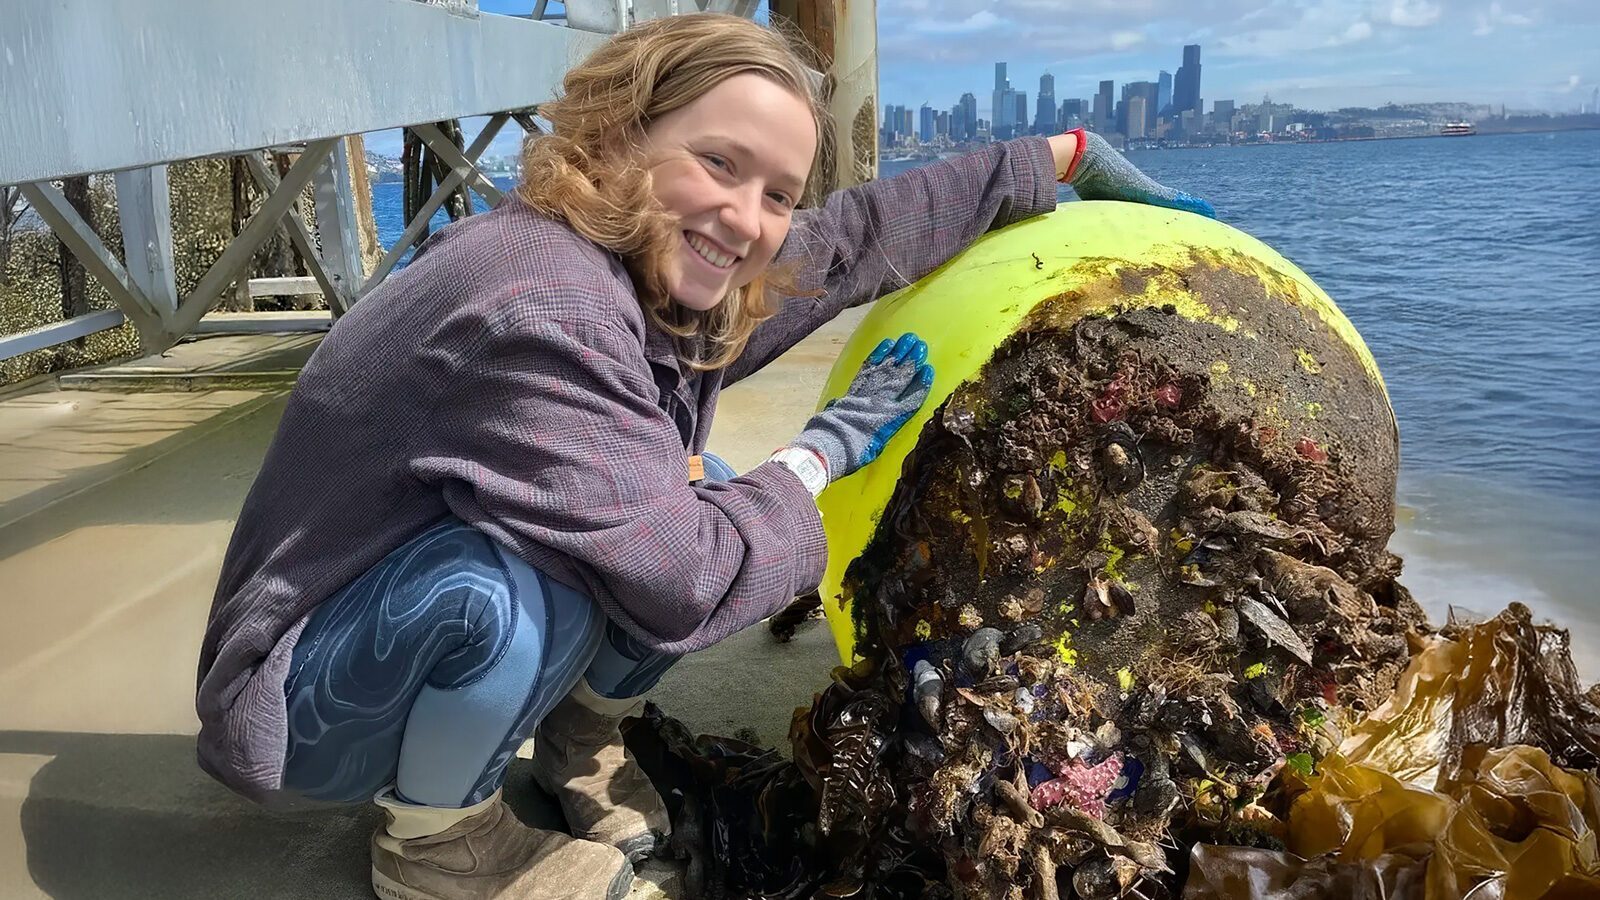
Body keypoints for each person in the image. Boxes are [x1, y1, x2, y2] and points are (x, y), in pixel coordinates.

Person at [193, 13, 1212, 900]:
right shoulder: (543, 307)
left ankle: (579, 746)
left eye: (776, 190)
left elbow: (851, 240)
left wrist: (1062, 157)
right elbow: (686, 580)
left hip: (392, 619)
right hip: (312, 695)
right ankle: (435, 848)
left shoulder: (651, 259)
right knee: (523, 587)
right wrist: (824, 452)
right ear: (616, 136)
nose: (747, 218)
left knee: (707, 492)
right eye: (718, 163)